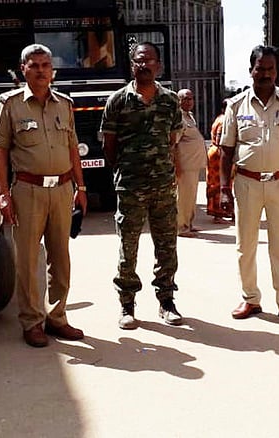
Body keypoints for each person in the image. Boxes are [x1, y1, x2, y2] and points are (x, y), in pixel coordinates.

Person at [0, 44, 88, 347]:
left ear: (53, 70)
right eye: (34, 65)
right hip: (28, 191)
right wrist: (4, 194)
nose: (41, 70)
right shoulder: (9, 104)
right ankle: (32, 321)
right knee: (28, 260)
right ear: (24, 69)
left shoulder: (64, 104)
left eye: (46, 65)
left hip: (61, 190)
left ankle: (57, 318)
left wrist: (80, 187)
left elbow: (73, 148)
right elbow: (0, 150)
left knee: (61, 258)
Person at [219, 45, 279, 324]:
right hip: (247, 183)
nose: (265, 74)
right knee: (245, 244)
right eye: (260, 68)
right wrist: (225, 189)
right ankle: (250, 299)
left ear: (276, 72)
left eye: (270, 69)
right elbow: (226, 149)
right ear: (251, 71)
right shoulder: (236, 106)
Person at [100, 42, 184, 329]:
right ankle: (127, 305)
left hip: (162, 186)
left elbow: (173, 141)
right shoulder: (118, 101)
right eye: (139, 60)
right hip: (130, 187)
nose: (144, 65)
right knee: (128, 246)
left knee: (166, 246)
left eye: (150, 60)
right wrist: (125, 171)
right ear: (132, 64)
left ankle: (166, 302)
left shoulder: (170, 101)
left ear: (158, 65)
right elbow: (108, 146)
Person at [175, 89, 208, 237]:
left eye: (191, 99)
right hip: (184, 165)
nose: (189, 102)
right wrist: (176, 166)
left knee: (192, 196)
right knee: (183, 198)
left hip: (194, 166)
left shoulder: (190, 117)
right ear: (179, 101)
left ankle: (189, 223)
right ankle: (181, 227)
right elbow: (173, 144)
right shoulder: (178, 119)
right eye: (185, 99)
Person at [206, 98, 234, 224]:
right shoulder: (224, 121)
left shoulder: (219, 118)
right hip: (219, 155)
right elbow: (219, 140)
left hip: (215, 153)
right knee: (221, 184)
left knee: (214, 183)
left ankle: (217, 211)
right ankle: (219, 212)